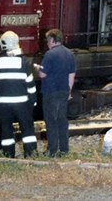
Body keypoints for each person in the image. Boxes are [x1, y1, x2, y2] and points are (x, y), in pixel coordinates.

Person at [0, 31, 37, 158]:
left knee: (6, 130)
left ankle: (9, 154)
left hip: (3, 104)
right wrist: (33, 100)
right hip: (22, 103)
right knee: (27, 129)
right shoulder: (25, 61)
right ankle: (30, 153)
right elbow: (30, 83)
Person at [35, 29, 76, 157]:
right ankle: (64, 150)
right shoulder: (70, 53)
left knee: (51, 121)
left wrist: (37, 68)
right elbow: (71, 75)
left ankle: (52, 150)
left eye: (48, 40)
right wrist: (69, 91)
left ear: (52, 40)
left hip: (50, 92)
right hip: (64, 91)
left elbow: (42, 74)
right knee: (62, 120)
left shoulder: (49, 54)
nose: (47, 43)